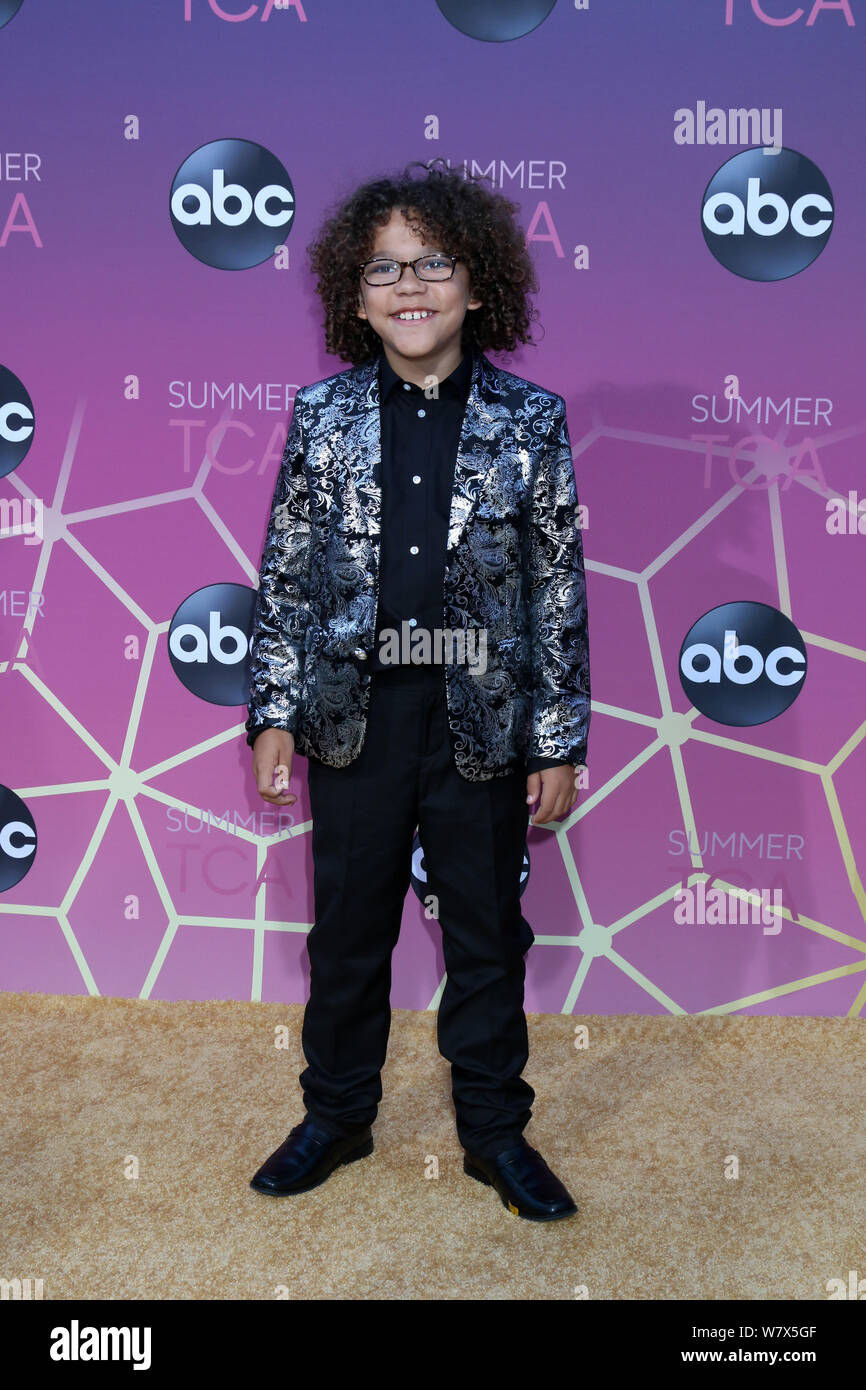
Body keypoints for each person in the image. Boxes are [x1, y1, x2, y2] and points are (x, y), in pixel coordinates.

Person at [244, 159, 590, 1221]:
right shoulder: (322, 417)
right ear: (354, 296)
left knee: (486, 933)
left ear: (477, 283)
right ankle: (335, 1114)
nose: (410, 286)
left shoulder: (529, 420)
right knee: (347, 933)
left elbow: (555, 588)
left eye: (433, 263)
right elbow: (289, 570)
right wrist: (271, 711)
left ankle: (494, 1132)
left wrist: (556, 735)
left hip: (479, 717)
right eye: (384, 268)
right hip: (354, 719)